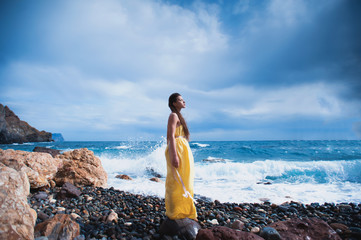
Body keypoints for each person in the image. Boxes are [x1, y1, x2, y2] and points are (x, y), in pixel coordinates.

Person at [165, 93, 197, 220]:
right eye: (180, 100)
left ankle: (184, 211)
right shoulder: (173, 116)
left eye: (183, 100)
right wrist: (174, 155)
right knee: (175, 181)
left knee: (186, 179)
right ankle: (174, 212)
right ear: (174, 103)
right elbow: (170, 136)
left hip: (182, 149)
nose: (184, 102)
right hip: (177, 150)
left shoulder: (179, 116)